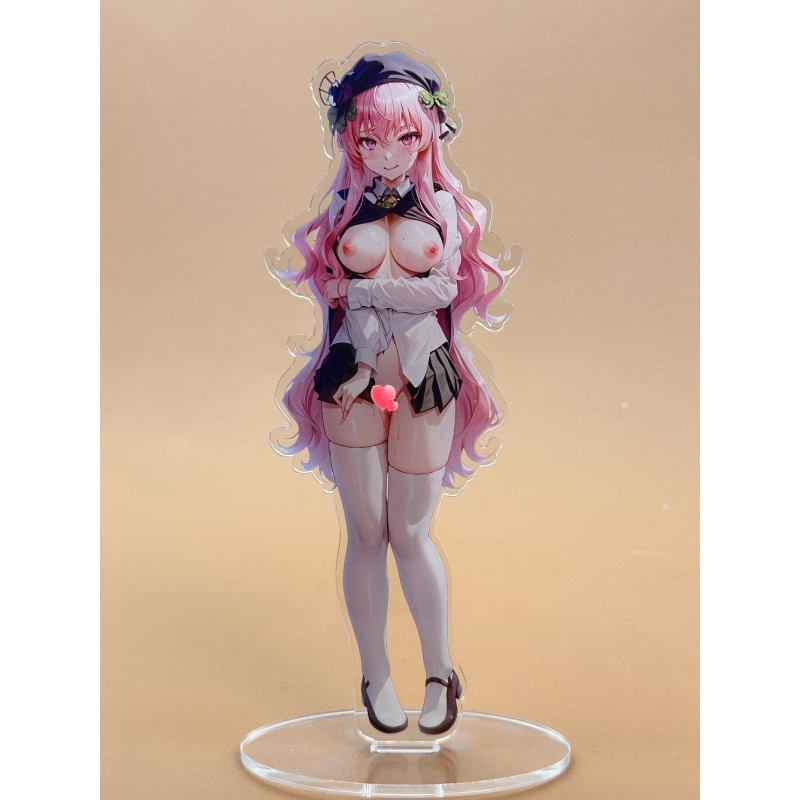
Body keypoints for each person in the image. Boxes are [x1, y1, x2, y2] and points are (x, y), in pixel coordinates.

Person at [273, 50, 514, 735]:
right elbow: (331, 289)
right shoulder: (340, 206)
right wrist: (354, 297)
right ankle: (374, 673)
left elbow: (440, 291)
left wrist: (362, 290)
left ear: (430, 133)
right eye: (370, 139)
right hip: (351, 376)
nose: (388, 153)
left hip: (423, 375)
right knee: (365, 530)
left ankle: (439, 672)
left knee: (409, 531)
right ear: (351, 139)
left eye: (406, 136)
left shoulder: (444, 207)